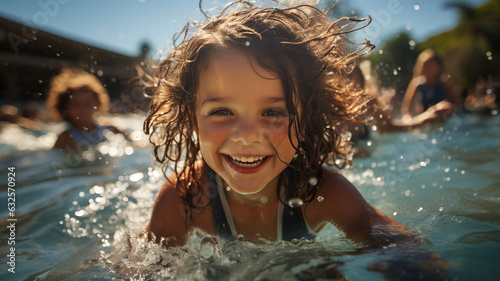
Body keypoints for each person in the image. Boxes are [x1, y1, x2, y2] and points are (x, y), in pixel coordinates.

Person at [142, 2, 414, 247]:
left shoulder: (322, 193)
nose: (247, 136)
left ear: (305, 119)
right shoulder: (183, 201)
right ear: (192, 118)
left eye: (273, 112)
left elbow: (403, 251)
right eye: (222, 111)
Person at [46, 67, 130, 150]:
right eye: (76, 104)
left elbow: (135, 143)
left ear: (97, 104)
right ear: (64, 109)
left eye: (88, 103)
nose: (83, 109)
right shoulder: (65, 138)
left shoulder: (109, 128)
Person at [401, 49, 462, 123]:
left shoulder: (446, 81)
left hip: (445, 119)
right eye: (424, 64)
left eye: (430, 64)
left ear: (438, 66)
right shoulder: (416, 84)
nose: (427, 67)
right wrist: (408, 121)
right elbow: (406, 110)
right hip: (425, 120)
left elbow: (457, 104)